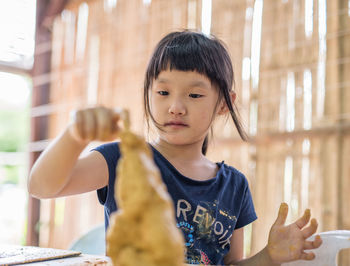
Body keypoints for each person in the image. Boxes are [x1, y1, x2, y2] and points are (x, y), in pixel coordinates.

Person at [28, 30, 322, 265]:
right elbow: (42, 187)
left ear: (224, 103)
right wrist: (75, 135)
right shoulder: (124, 159)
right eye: (163, 92)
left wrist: (268, 257)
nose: (176, 107)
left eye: (194, 94)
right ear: (149, 94)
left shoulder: (235, 186)